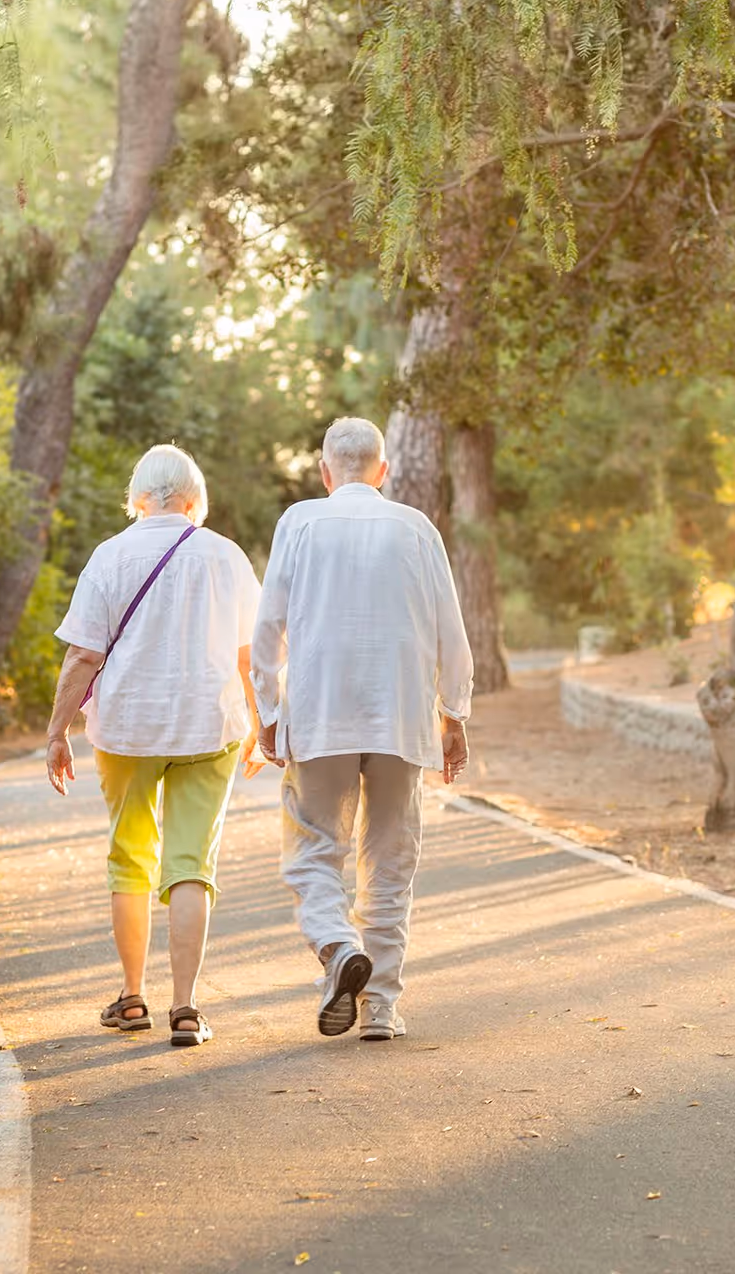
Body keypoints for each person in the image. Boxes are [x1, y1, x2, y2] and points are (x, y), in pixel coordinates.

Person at [250, 416, 474, 1042]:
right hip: (401, 715)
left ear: (326, 473)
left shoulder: (299, 522)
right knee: (390, 857)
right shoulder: (416, 528)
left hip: (320, 712)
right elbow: (450, 632)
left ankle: (336, 944)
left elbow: (266, 630)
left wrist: (268, 713)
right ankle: (378, 1005)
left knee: (313, 850)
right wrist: (453, 715)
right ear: (383, 471)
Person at [44, 444, 265, 1047]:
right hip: (210, 727)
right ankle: (186, 1009)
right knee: (192, 864)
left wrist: (57, 730)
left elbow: (84, 654)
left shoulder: (109, 556)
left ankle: (133, 997)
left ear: (138, 498)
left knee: (130, 857)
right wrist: (263, 724)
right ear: (195, 499)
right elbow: (253, 656)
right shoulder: (226, 556)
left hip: (127, 730)